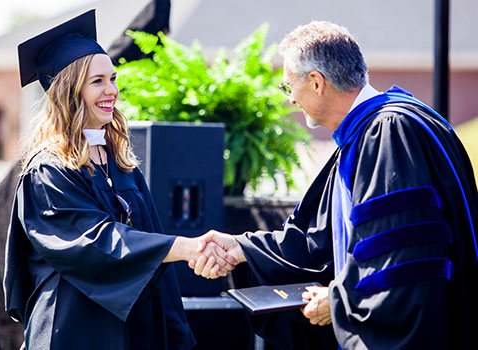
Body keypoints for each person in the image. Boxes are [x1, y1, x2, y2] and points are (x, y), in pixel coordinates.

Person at [190, 21, 478, 349]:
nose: (291, 101)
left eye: (289, 87)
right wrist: (242, 248)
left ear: (316, 82)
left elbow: (402, 259)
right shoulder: (368, 133)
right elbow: (320, 241)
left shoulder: (389, 133)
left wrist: (341, 301)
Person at [3, 10, 235, 349]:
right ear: (69, 91)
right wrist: (186, 247)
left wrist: (176, 332)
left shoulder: (120, 162)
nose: (111, 90)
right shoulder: (48, 171)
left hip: (129, 330)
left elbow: (151, 246)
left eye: (113, 79)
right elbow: (96, 243)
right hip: (72, 329)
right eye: (97, 81)